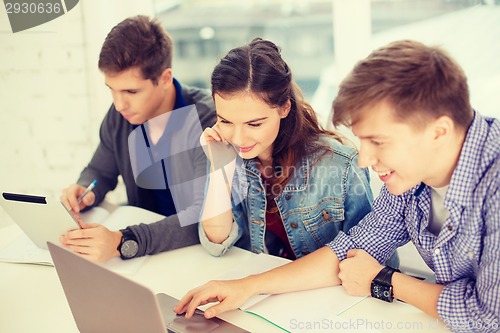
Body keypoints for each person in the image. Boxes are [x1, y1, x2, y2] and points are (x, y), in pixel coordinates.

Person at [174, 40, 500, 333]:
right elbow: (352, 248)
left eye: (378, 141)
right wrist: (248, 286)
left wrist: (385, 280)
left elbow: (489, 316)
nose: (364, 159)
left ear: (438, 131)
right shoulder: (410, 180)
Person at [197, 37, 377, 262]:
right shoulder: (225, 151)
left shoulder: (339, 166)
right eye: (225, 121)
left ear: (284, 108)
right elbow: (215, 243)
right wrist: (220, 170)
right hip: (263, 287)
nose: (238, 138)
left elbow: (372, 258)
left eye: (254, 124)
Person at [59, 15, 216, 262]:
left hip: (202, 255)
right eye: (112, 90)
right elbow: (100, 171)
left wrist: (124, 241)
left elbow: (203, 215)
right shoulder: (122, 116)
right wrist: (86, 188)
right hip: (148, 253)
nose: (119, 104)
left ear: (164, 78)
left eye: (131, 91)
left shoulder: (208, 121)